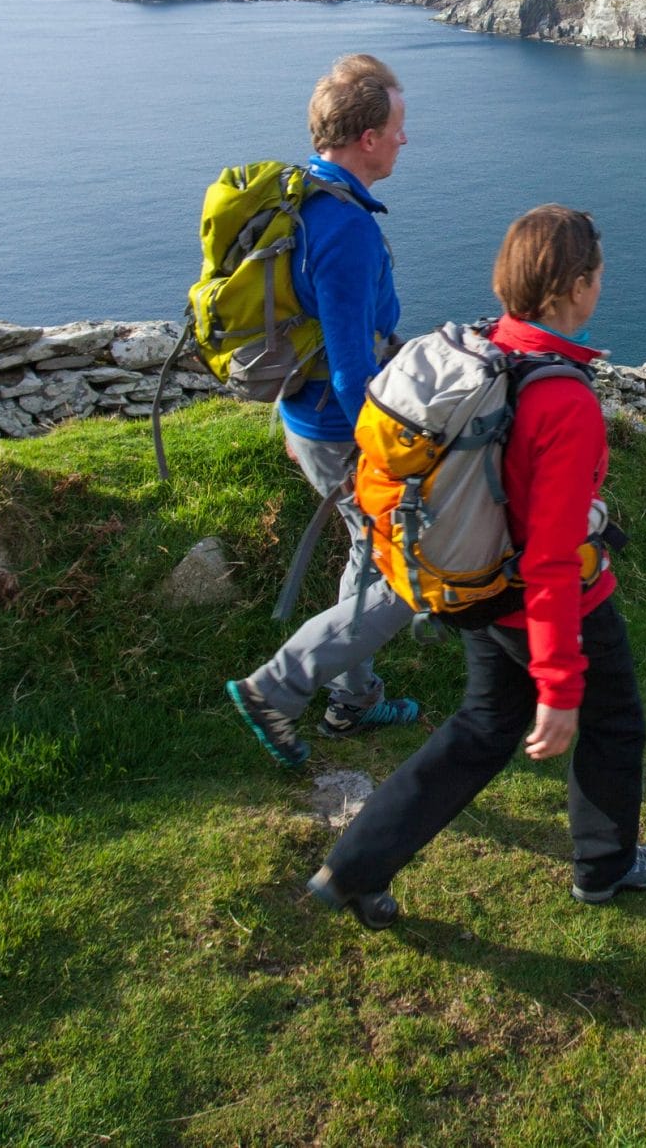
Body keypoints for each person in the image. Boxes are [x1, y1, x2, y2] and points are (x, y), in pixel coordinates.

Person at [307, 205, 646, 927]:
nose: (600, 288)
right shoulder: (562, 397)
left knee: (484, 723)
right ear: (576, 287)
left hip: (472, 583)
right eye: (597, 277)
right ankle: (605, 865)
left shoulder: (480, 350)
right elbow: (555, 555)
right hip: (543, 601)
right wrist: (559, 685)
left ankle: (354, 865)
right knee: (613, 720)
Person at [223, 55, 425, 767]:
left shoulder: (307, 198)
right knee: (404, 576)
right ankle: (278, 687)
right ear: (367, 136)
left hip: (309, 420)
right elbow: (347, 364)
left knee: (366, 553)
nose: (406, 139)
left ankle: (355, 699)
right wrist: (386, 448)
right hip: (344, 429)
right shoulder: (346, 231)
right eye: (398, 128)